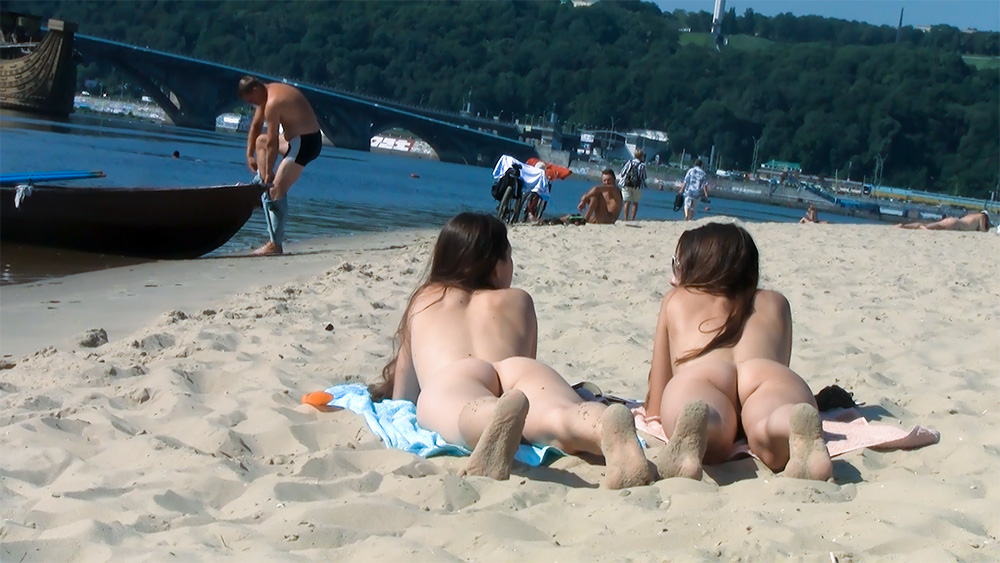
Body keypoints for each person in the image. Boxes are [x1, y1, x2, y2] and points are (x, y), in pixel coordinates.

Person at [369, 213, 653, 489]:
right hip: (519, 371)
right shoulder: (520, 299)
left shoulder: (424, 298)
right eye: (509, 256)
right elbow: (527, 361)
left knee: (464, 412)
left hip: (457, 376)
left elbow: (403, 398)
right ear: (495, 266)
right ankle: (602, 426)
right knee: (558, 415)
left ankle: (491, 417)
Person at [644, 223, 832, 482]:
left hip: (702, 376)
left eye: (676, 264)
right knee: (767, 421)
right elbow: (781, 359)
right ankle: (789, 423)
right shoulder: (777, 302)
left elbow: (656, 400)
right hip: (766, 374)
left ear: (695, 266)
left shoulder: (676, 299)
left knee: (709, 423)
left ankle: (701, 422)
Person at [238, 76, 323, 256]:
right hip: (295, 139)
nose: (254, 104)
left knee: (276, 189)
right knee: (258, 142)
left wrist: (270, 171)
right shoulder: (267, 92)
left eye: (252, 100)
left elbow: (272, 143)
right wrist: (249, 155)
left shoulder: (272, 102)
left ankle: (275, 245)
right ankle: (261, 183)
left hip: (306, 143)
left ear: (255, 90)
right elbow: (256, 126)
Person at [618, 149, 647, 221]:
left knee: (627, 202)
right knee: (635, 202)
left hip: (626, 183)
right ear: (642, 156)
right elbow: (643, 177)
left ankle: (625, 219)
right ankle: (632, 219)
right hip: (636, 185)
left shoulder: (629, 162)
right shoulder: (642, 165)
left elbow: (622, 173)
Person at [897, 210, 991, 232]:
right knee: (927, 228)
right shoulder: (982, 217)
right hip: (956, 224)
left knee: (929, 225)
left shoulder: (972, 215)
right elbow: (983, 230)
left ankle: (904, 226)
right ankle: (918, 227)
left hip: (953, 220)